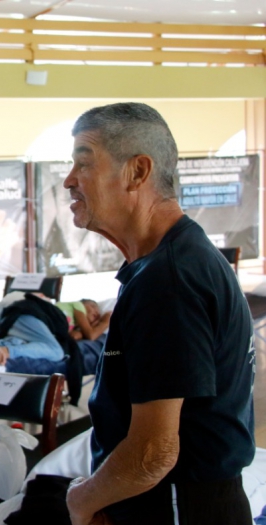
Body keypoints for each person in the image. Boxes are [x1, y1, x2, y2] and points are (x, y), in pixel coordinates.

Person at [63, 103, 254, 525]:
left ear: (137, 172)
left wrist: (82, 501)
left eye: (83, 163)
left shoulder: (168, 280)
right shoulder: (171, 262)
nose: (68, 181)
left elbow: (154, 452)